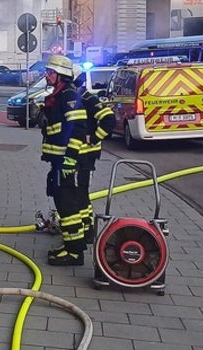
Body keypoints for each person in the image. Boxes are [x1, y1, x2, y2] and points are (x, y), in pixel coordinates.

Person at [40, 55, 88, 266]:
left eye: (51, 72)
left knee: (68, 206)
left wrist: (69, 159)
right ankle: (69, 246)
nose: (47, 75)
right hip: (59, 161)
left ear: (61, 75)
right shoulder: (59, 95)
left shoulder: (68, 95)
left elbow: (77, 129)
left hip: (66, 162)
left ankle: (75, 253)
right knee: (61, 203)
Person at [72, 65, 115, 244]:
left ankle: (87, 230)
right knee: (79, 192)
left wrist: (94, 138)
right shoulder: (75, 98)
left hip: (86, 156)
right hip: (78, 154)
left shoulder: (87, 98)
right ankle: (85, 227)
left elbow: (109, 119)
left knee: (80, 192)